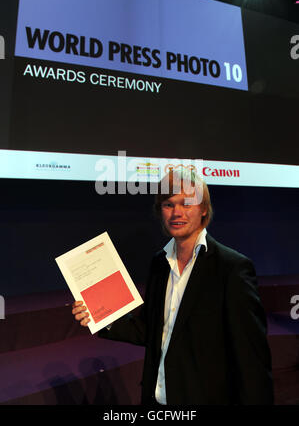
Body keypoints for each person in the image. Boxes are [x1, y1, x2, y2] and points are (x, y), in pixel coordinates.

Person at [72, 170, 274, 405]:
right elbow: (150, 330)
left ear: (204, 209)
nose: (177, 212)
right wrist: (99, 315)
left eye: (186, 203)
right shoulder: (159, 263)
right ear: (160, 211)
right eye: (168, 204)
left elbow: (251, 358)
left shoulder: (232, 268)